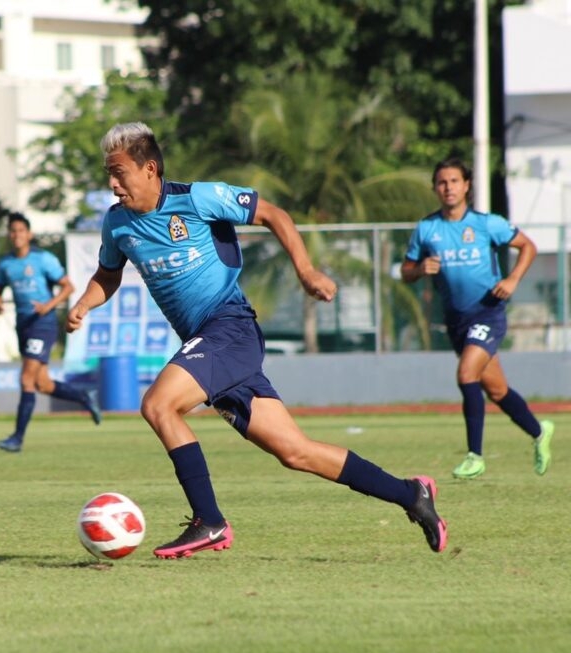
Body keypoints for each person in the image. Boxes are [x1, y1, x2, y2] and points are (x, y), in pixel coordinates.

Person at [66, 122, 448, 558]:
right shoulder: (117, 224)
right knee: (296, 451)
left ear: (149, 168)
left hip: (230, 327)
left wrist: (306, 271)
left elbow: (274, 215)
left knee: (158, 404)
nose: (113, 185)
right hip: (207, 342)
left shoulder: (197, 198)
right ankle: (412, 494)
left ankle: (208, 521)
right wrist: (84, 303)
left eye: (120, 173)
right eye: (108, 175)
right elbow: (107, 275)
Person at [402, 157, 554, 480]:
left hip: (488, 312)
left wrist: (512, 280)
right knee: (497, 390)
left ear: (467, 185)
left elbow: (528, 246)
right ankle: (541, 432)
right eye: (442, 182)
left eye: (454, 181)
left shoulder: (487, 224)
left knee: (466, 374)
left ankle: (475, 456)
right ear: (435, 188)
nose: (448, 188)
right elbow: (406, 271)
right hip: (457, 321)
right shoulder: (427, 229)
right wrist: (418, 270)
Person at [0, 213, 102, 452]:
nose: (17, 235)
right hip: (23, 324)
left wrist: (47, 306)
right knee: (42, 383)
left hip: (42, 324)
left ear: (29, 234)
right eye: (13, 231)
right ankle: (84, 397)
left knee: (26, 379)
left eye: (21, 230)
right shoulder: (6, 263)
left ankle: (17, 439)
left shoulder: (43, 259)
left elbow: (68, 286)